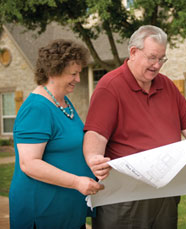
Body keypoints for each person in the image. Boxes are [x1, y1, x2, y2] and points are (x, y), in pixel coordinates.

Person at [83, 25, 186, 229]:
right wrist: (93, 158)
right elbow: (96, 134)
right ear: (134, 52)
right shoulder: (110, 86)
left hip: (164, 194)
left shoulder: (167, 86)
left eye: (162, 59)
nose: (157, 65)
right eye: (152, 57)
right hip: (125, 199)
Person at [9, 39, 103, 229]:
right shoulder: (36, 108)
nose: (78, 79)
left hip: (68, 210)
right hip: (43, 212)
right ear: (53, 72)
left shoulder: (64, 102)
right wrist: (76, 181)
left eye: (79, 73)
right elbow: (29, 164)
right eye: (73, 74)